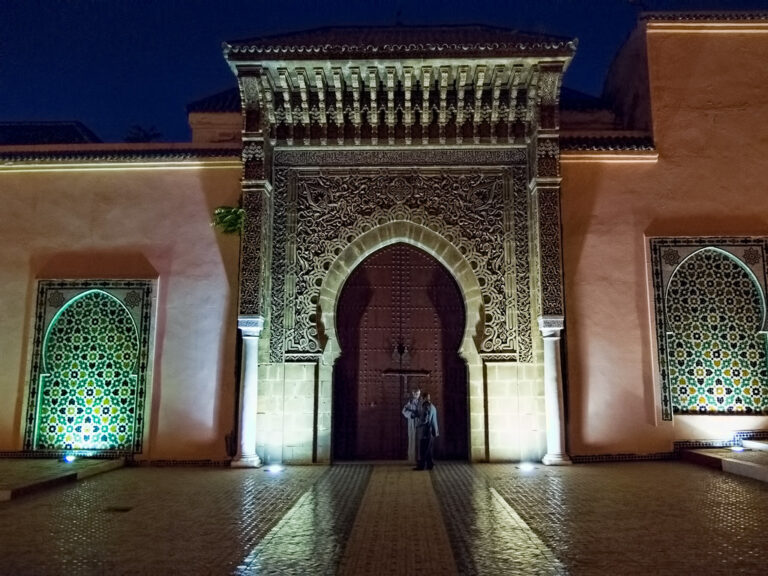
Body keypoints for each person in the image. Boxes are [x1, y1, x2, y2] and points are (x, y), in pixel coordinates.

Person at [415, 392, 439, 470]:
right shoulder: (432, 406)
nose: (421, 400)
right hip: (432, 432)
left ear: (424, 398)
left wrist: (418, 425)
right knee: (428, 450)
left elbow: (425, 420)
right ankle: (430, 465)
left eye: (421, 398)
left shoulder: (426, 406)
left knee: (423, 450)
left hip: (426, 432)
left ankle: (421, 466)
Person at [401, 387, 421, 463]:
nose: (417, 395)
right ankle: (412, 458)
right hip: (412, 423)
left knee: (419, 441)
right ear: (413, 394)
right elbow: (404, 411)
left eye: (418, 394)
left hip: (419, 423)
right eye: (416, 394)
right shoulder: (410, 402)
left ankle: (419, 458)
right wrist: (411, 414)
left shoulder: (421, 402)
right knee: (412, 439)